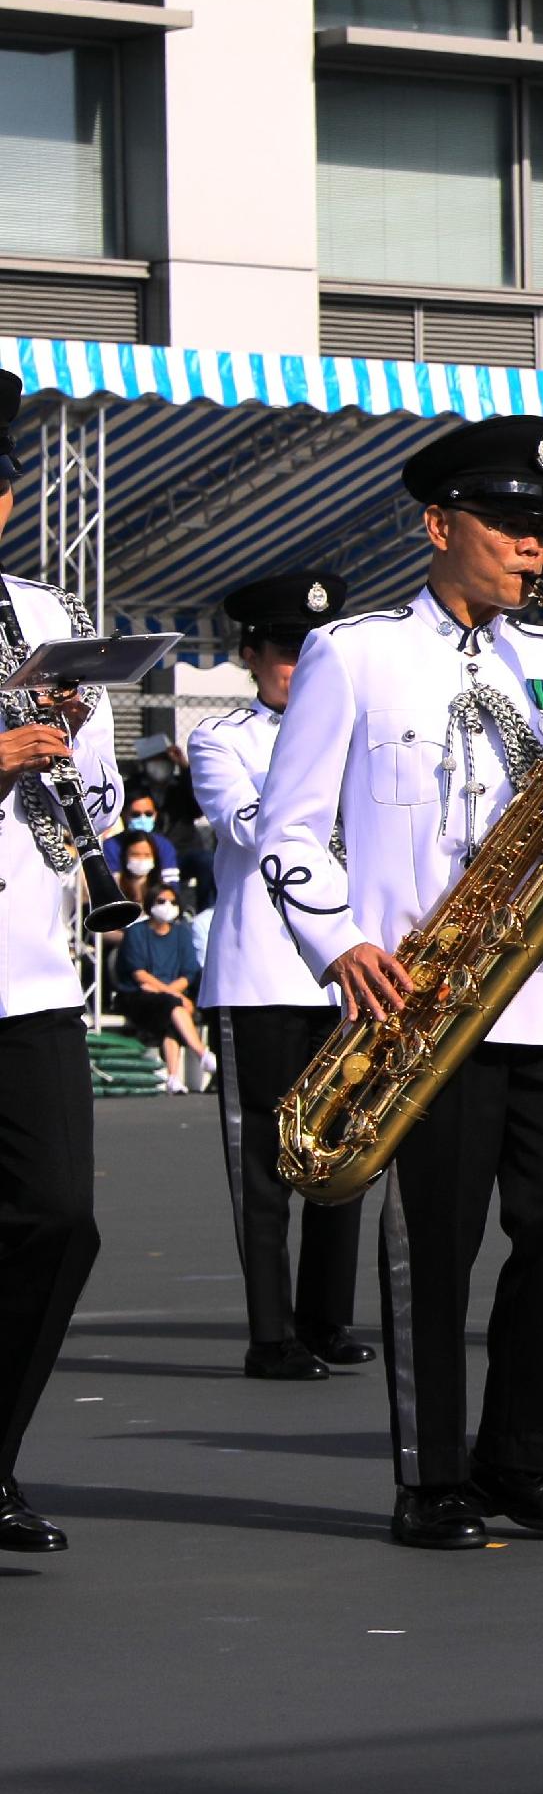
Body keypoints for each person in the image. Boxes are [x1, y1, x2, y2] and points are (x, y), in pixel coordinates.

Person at [255, 416, 543, 1547]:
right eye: (511, 527)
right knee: (435, 1239)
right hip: (422, 999)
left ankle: (523, 1461)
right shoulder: (355, 654)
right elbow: (292, 826)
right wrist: (339, 941)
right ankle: (431, 1478)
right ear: (438, 525)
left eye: (541, 531)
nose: (533, 549)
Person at [190, 566, 369, 1380]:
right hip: (261, 974)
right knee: (264, 1166)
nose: (299, 668)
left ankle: (326, 1317)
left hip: (345, 975)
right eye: (285, 652)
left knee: (343, 1152)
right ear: (252, 655)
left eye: (312, 652)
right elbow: (256, 826)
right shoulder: (222, 738)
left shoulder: (357, 732)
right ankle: (272, 1334)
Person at [0, 363, 115, 1550]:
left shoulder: (47, 617)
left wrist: (71, 748)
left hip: (25, 966)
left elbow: (106, 787)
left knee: (59, 1217)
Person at [112, 888, 207, 1089]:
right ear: (150, 903)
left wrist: (169, 993)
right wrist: (172, 994)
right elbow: (139, 974)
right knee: (173, 1006)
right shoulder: (137, 932)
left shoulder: (182, 933)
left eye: (172, 902)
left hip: (167, 997)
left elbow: (188, 973)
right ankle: (201, 1053)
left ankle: (173, 1078)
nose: (167, 906)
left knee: (171, 1011)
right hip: (137, 996)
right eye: (161, 900)